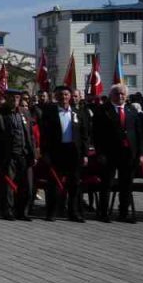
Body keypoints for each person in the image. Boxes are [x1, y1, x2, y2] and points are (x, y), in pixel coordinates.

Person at [93, 83, 143, 223]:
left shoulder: (131, 110)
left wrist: (141, 154)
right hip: (109, 153)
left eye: (122, 94)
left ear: (126, 96)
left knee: (126, 184)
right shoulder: (103, 110)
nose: (120, 96)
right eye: (117, 93)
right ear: (111, 95)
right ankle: (103, 213)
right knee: (107, 183)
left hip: (129, 153)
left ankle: (123, 213)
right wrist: (100, 153)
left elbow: (139, 133)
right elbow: (96, 135)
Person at [38, 85, 88, 222]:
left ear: (70, 96)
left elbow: (84, 135)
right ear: (55, 96)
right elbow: (44, 135)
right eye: (60, 95)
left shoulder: (78, 112)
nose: (63, 97)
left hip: (74, 153)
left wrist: (84, 154)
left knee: (74, 184)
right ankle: (52, 212)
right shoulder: (49, 112)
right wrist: (45, 153)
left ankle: (74, 212)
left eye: (66, 94)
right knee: (53, 184)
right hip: (56, 153)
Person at [0, 90, 35, 220]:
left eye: (16, 98)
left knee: (27, 185)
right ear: (6, 98)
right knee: (8, 186)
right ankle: (7, 211)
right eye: (11, 98)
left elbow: (30, 135)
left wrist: (33, 154)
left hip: (25, 154)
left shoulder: (25, 112)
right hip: (8, 155)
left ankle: (23, 212)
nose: (14, 100)